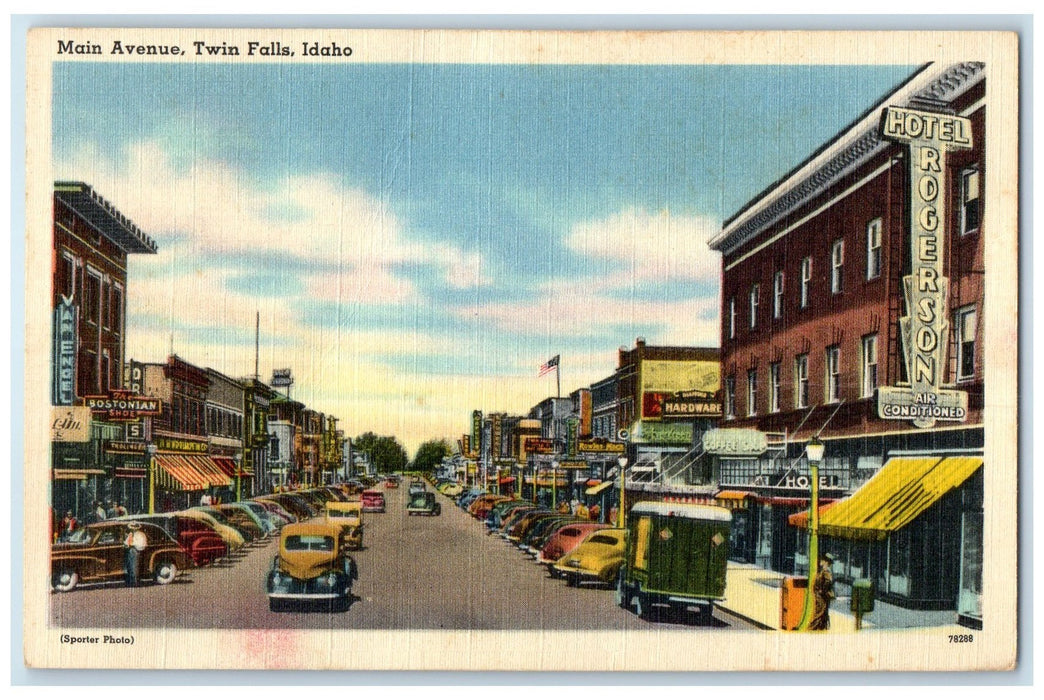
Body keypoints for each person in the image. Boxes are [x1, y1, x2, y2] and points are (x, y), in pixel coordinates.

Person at [809, 553, 836, 631]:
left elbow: (828, 581)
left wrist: (822, 591)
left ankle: (811, 630)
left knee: (818, 615)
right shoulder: (823, 570)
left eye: (822, 560)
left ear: (826, 562)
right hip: (820, 597)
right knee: (820, 615)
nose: (820, 561)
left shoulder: (826, 571)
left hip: (822, 598)